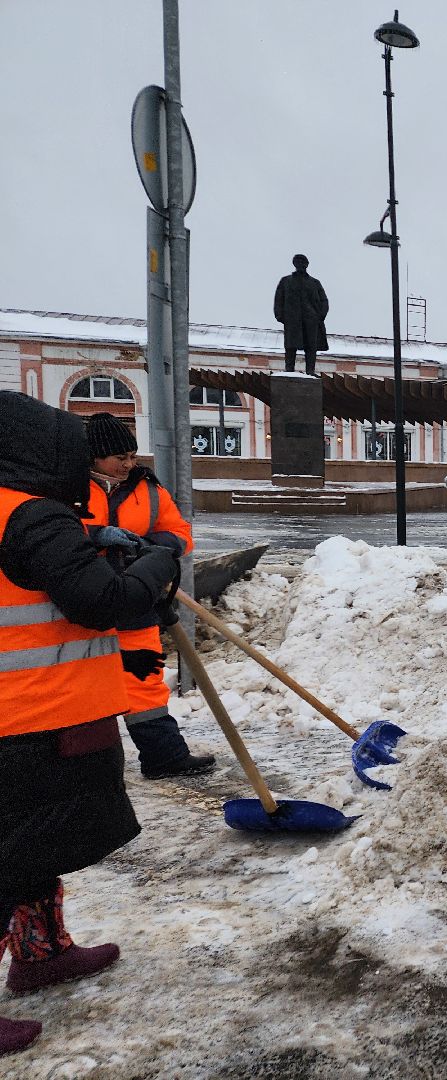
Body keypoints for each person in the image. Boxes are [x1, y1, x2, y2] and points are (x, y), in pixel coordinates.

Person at [0, 391, 182, 1057]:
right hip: (33, 718)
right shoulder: (32, 518)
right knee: (15, 854)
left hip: (32, 714)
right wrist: (158, 563)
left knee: (31, 848)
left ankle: (41, 952)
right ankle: (36, 952)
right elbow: (102, 602)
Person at [85, 413, 215, 780]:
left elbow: (180, 533)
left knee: (144, 682)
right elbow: (49, 533)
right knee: (82, 687)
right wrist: (96, 537)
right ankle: (84, 772)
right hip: (81, 602)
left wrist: (151, 545)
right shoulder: (67, 487)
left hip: (137, 600)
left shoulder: (149, 490)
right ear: (94, 456)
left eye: (132, 456)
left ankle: (164, 758)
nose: (129, 464)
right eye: (119, 458)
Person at [273, 253, 329, 375]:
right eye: (298, 262)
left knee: (311, 346)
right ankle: (289, 370)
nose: (301, 265)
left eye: (303, 263)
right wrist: (279, 315)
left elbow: (324, 300)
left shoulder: (315, 283)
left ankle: (310, 371)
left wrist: (320, 316)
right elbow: (279, 299)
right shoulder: (286, 281)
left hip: (311, 319)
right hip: (292, 319)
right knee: (290, 346)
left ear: (307, 265)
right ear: (294, 264)